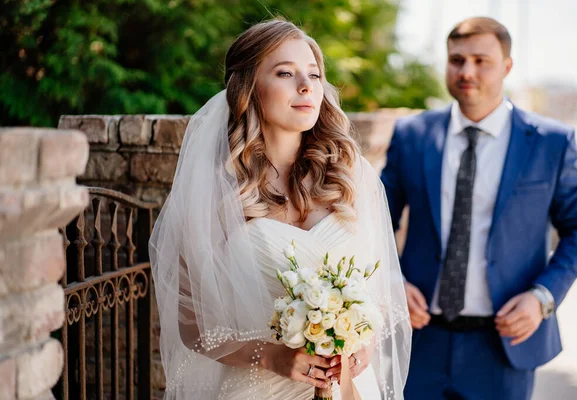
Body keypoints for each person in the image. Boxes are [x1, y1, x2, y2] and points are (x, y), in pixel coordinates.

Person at [150, 19, 411, 400]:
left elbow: (381, 285)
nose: (306, 86)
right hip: (257, 389)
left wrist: (363, 340)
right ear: (249, 88)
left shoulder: (349, 174)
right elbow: (193, 328)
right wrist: (271, 357)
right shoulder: (219, 191)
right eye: (285, 73)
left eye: (314, 75)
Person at [381, 16, 577, 400]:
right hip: (418, 340)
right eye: (457, 60)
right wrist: (390, 282)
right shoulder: (412, 135)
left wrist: (543, 297)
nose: (467, 71)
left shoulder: (550, 142)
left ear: (507, 66)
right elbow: (375, 221)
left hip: (504, 345)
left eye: (481, 60)